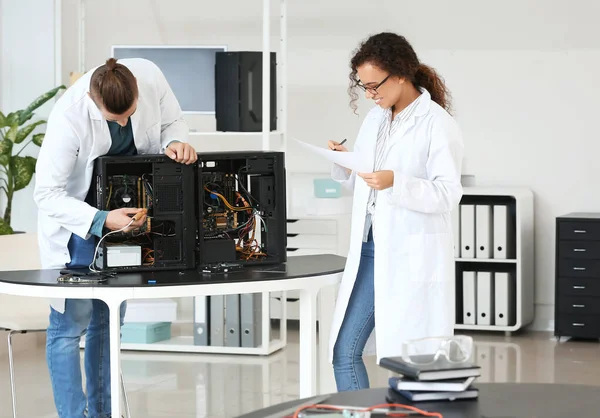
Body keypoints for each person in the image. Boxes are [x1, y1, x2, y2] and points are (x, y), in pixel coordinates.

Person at [34, 57, 197, 418]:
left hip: (127, 220)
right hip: (80, 225)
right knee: (68, 328)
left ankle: (102, 414)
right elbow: (46, 194)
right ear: (94, 103)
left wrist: (177, 142)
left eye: (130, 114)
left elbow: (174, 120)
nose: (124, 123)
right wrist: (101, 218)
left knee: (108, 323)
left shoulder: (150, 75)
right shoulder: (69, 116)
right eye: (113, 119)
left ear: (138, 91)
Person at [326, 32, 464, 392]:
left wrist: (396, 183)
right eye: (365, 87)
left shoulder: (437, 123)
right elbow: (364, 183)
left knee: (408, 365)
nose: (371, 95)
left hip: (409, 254)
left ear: (401, 74)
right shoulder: (375, 119)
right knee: (344, 352)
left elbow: (448, 194)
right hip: (370, 247)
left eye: (375, 86)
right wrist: (344, 164)